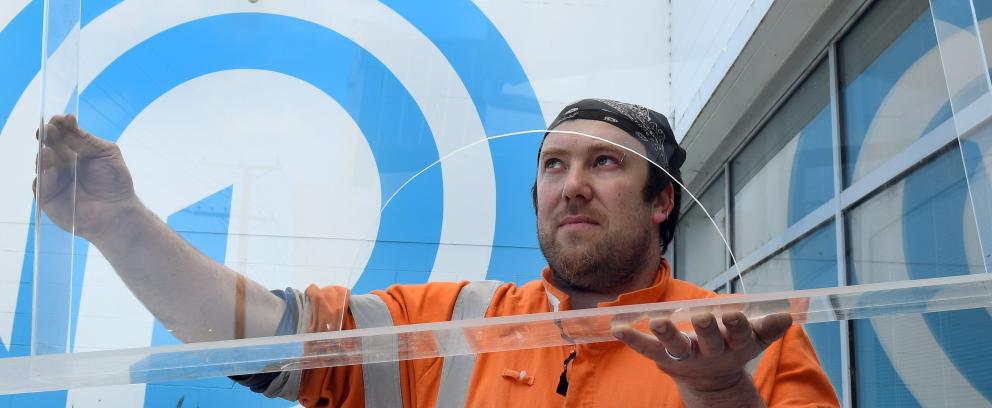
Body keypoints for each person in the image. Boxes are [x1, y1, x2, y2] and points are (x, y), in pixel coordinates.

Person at [35, 99, 839, 407]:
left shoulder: (738, 339)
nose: (572, 185)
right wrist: (120, 224)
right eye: (554, 165)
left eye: (605, 163)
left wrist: (721, 391)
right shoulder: (452, 322)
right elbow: (262, 338)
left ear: (662, 201)